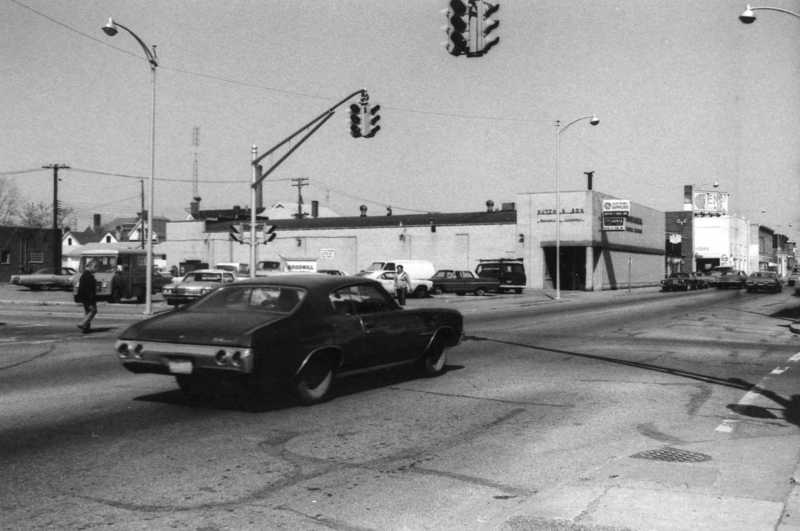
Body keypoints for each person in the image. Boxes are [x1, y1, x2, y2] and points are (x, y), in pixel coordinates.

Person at [76, 261, 98, 333]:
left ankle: (86, 328)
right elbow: (88, 289)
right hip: (88, 298)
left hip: (85, 297)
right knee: (93, 311)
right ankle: (83, 324)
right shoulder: (88, 276)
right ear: (90, 266)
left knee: (87, 312)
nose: (96, 269)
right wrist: (90, 299)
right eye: (95, 267)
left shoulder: (85, 275)